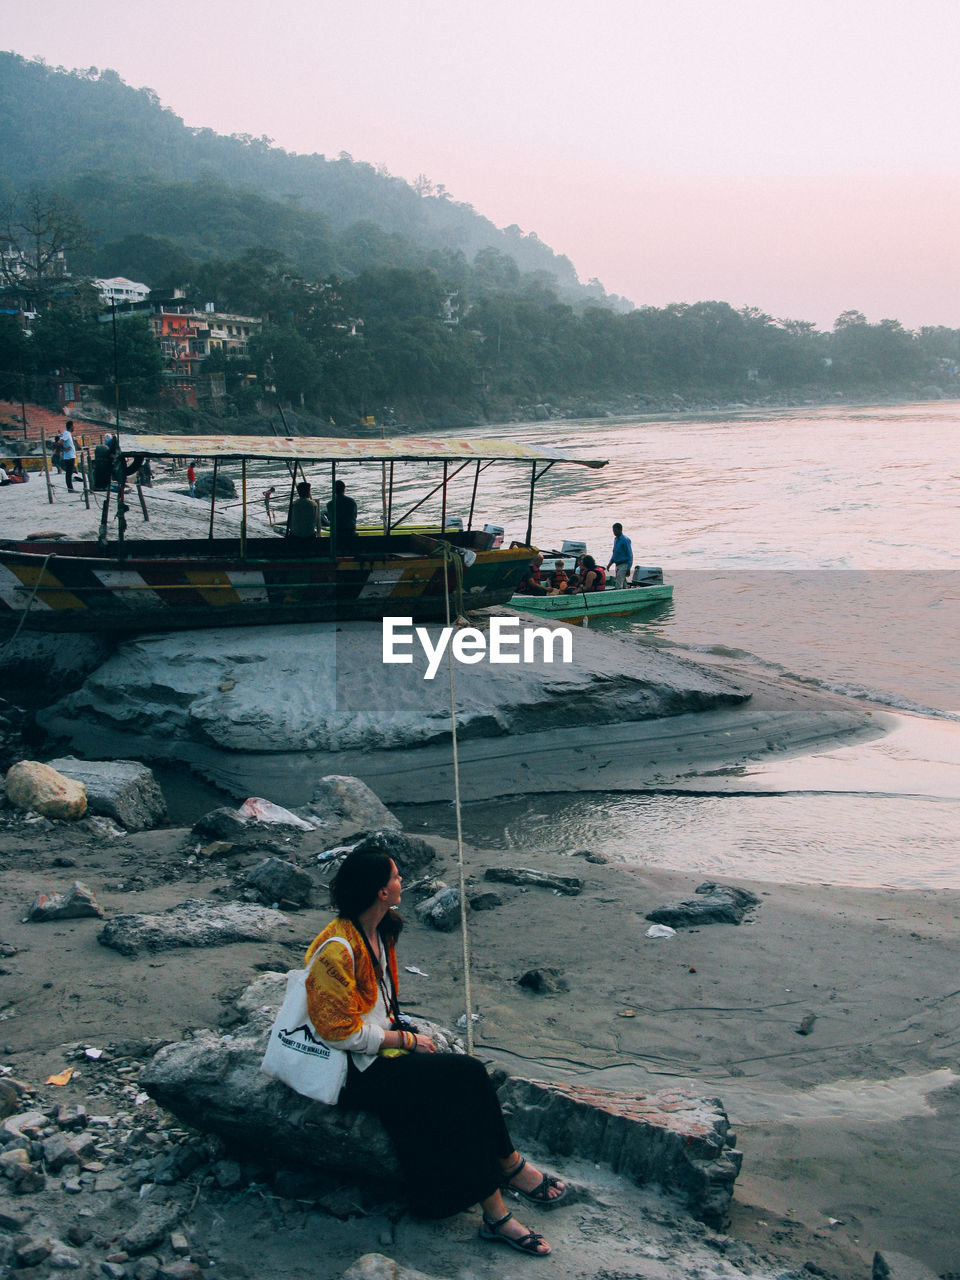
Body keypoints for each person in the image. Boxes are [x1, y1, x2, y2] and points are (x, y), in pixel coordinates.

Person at [304, 848, 566, 1254]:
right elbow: (337, 1033)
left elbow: (380, 1005)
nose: (401, 881)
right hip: (348, 1070)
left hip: (376, 1054)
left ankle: (507, 1174)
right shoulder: (337, 947)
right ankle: (499, 1203)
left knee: (464, 1079)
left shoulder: (382, 929)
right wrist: (406, 1040)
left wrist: (399, 1032)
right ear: (379, 892)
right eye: (395, 876)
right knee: (461, 1084)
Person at [324, 479, 357, 554]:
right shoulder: (351, 502)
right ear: (344, 489)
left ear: (333, 490)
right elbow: (354, 516)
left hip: (336, 533)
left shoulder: (330, 504)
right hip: (350, 532)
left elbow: (330, 519)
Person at [606, 523, 633, 590]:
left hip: (624, 564)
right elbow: (615, 553)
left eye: (615, 531)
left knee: (618, 583)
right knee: (623, 583)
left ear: (620, 530)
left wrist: (628, 568)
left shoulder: (625, 540)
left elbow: (630, 555)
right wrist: (610, 563)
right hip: (617, 564)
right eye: (613, 531)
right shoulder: (616, 540)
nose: (614, 532)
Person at [60, 421, 77, 493]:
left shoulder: (68, 434)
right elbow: (60, 442)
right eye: (73, 426)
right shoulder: (66, 433)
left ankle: (70, 488)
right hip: (69, 456)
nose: (74, 428)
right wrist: (64, 449)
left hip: (71, 455)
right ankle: (70, 488)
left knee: (70, 472)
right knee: (69, 473)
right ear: (70, 426)